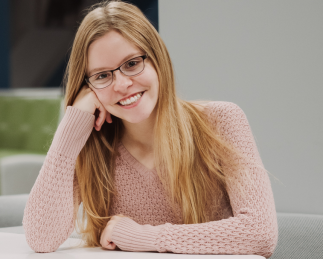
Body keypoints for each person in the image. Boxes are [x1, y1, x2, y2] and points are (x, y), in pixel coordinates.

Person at [22, 1, 278, 257]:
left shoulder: (220, 121)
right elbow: (41, 238)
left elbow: (260, 234)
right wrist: (71, 129)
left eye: (132, 63)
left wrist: (142, 236)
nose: (122, 85)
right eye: (102, 76)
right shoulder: (92, 145)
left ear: (158, 59)